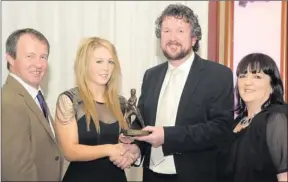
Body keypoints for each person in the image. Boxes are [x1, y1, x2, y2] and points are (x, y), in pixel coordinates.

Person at [119, 3, 234, 182]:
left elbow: (221, 129)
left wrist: (167, 136)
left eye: (180, 31)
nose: (172, 37)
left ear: (194, 38)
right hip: (152, 175)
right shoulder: (151, 75)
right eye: (166, 31)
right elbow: (142, 121)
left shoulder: (218, 75)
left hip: (195, 176)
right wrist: (135, 144)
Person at [54, 37, 140, 182]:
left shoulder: (121, 103)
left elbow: (126, 144)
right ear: (84, 64)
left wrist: (129, 154)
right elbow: (70, 151)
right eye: (99, 61)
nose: (106, 68)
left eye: (110, 62)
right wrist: (108, 149)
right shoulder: (69, 100)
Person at [1, 28, 63, 181]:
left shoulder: (33, 96)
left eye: (43, 57)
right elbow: (16, 170)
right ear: (10, 58)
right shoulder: (9, 102)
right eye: (30, 56)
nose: (38, 64)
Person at [217, 53, 287, 182]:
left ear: (272, 85)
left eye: (257, 76)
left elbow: (284, 176)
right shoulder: (236, 122)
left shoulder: (277, 118)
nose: (247, 82)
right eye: (243, 76)